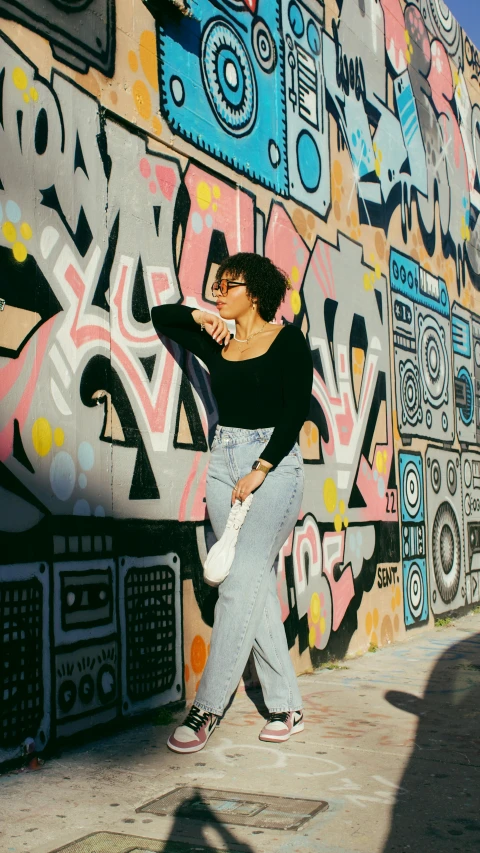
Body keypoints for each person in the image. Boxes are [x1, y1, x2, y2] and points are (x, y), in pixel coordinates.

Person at [151, 252, 313, 753]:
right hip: (222, 464)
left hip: (273, 467)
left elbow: (295, 410)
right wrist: (200, 315)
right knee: (252, 583)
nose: (219, 291)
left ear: (256, 292)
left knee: (237, 585)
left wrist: (260, 468)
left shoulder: (287, 341)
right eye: (217, 284)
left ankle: (205, 710)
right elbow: (162, 317)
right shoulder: (218, 339)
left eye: (229, 284)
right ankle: (287, 705)